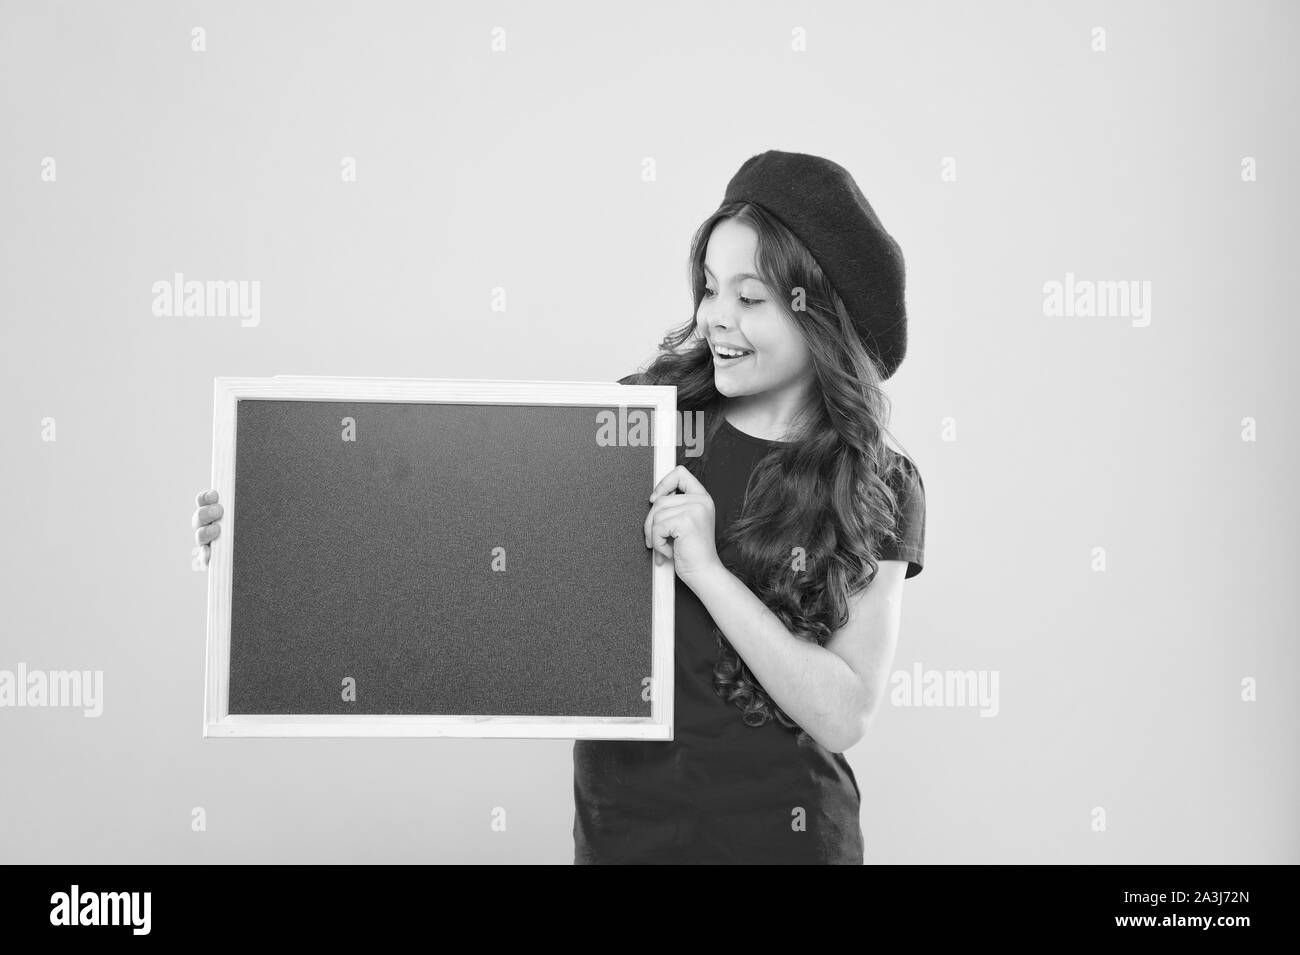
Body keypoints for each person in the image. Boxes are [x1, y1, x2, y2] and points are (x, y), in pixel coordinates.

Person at [191, 149, 926, 866]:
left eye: (750, 298)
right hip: (625, 836)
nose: (714, 319)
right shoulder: (642, 424)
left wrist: (707, 571)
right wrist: (265, 525)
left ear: (818, 312)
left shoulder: (881, 482)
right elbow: (463, 539)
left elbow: (844, 711)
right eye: (708, 289)